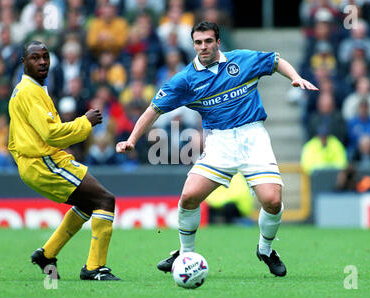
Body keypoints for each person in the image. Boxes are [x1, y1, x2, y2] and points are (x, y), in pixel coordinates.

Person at [116, 21, 319, 277]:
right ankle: (185, 253)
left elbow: (275, 60)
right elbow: (153, 110)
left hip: (252, 136)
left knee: (272, 200)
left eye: (208, 41)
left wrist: (295, 77)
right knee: (189, 197)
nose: (203, 47)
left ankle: (265, 249)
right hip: (219, 142)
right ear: (193, 45)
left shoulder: (241, 60)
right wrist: (132, 140)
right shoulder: (185, 79)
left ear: (218, 42)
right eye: (198, 42)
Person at [8, 41, 119, 281]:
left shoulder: (29, 89)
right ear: (23, 62)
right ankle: (94, 268)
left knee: (89, 203)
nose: (42, 62)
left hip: (41, 160)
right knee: (105, 200)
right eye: (35, 58)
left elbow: (16, 138)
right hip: (42, 162)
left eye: (45, 57)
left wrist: (29, 157)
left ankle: (47, 255)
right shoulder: (29, 91)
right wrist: (85, 121)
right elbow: (51, 133)